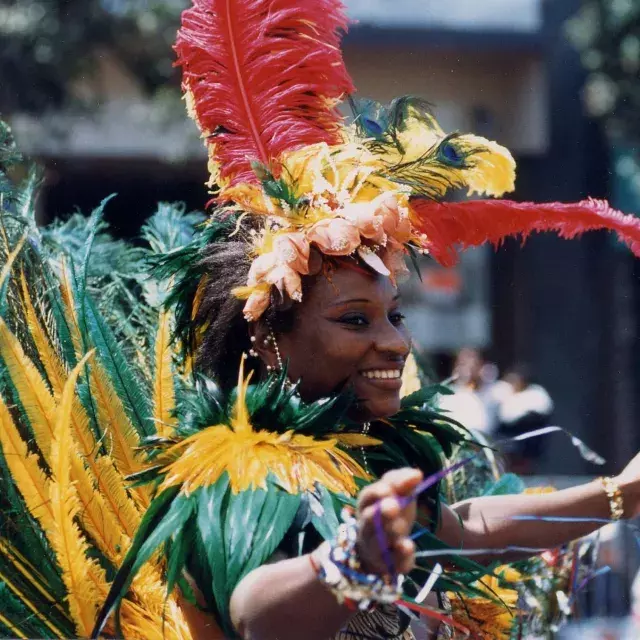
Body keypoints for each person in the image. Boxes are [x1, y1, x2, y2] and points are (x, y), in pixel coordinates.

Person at [3, 1, 640, 639]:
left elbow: (461, 528)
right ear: (266, 336)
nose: (394, 340)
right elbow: (257, 607)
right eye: (355, 321)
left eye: (393, 313)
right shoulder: (242, 466)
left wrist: (621, 494)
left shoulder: (360, 455)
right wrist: (349, 563)